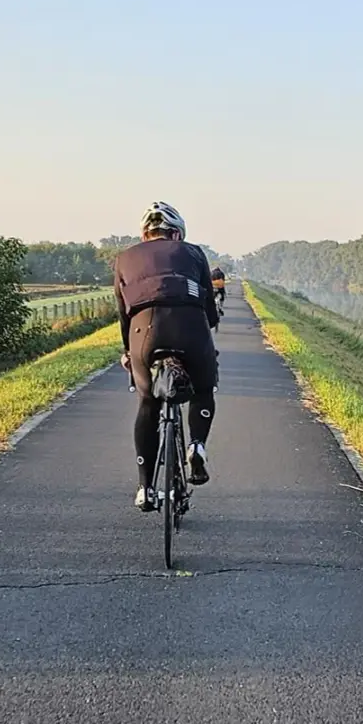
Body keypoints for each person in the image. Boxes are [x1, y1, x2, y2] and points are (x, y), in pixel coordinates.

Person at [113, 201, 219, 510]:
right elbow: (210, 309)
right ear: (176, 234)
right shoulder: (194, 253)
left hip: (143, 332)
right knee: (203, 389)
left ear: (145, 235)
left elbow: (123, 314)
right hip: (191, 327)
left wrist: (127, 352)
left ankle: (146, 488)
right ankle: (196, 445)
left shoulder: (124, 258)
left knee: (148, 402)